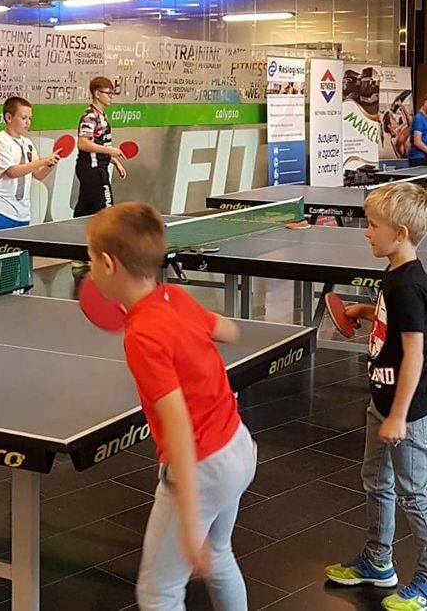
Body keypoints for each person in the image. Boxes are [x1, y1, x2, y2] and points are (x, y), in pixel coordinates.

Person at [85, 203, 255, 611]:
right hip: (238, 446)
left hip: (203, 468)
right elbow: (228, 330)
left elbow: (177, 423)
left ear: (108, 264)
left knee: (158, 593)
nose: (88, 268)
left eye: (89, 259)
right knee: (219, 554)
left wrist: (189, 515)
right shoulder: (174, 297)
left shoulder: (142, 336)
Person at [325, 182, 427, 611]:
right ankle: (379, 561)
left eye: (373, 225)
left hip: (406, 409)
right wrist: (367, 311)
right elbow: (396, 328)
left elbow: (415, 354)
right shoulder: (394, 275)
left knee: (413, 493)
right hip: (381, 400)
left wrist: (398, 415)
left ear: (400, 233)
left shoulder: (409, 285)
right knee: (376, 480)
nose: (366, 232)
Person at [0, 97, 60, 231]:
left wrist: (52, 163)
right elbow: (12, 172)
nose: (28, 122)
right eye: (24, 118)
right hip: (0, 209)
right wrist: (43, 161)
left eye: (30, 118)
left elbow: (39, 174)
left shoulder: (28, 143)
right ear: (9, 117)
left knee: (20, 246)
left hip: (23, 213)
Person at [75, 75, 128, 218]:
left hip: (97, 167)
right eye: (108, 93)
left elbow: (100, 144)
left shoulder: (102, 116)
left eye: (112, 93)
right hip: (93, 169)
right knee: (107, 212)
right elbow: (83, 143)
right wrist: (109, 150)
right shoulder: (90, 116)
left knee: (85, 210)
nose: (111, 97)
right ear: (97, 94)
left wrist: (115, 161)